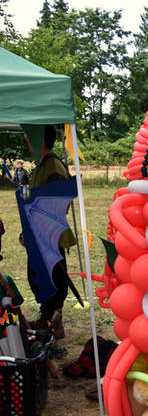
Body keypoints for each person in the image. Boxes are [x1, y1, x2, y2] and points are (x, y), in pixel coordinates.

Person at [24, 125, 77, 338]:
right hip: (40, 233)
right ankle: (46, 318)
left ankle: (56, 324)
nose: (28, 141)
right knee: (41, 276)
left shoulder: (53, 166)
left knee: (55, 279)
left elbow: (57, 203)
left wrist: (41, 228)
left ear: (41, 140)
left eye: (31, 138)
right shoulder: (42, 165)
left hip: (51, 234)